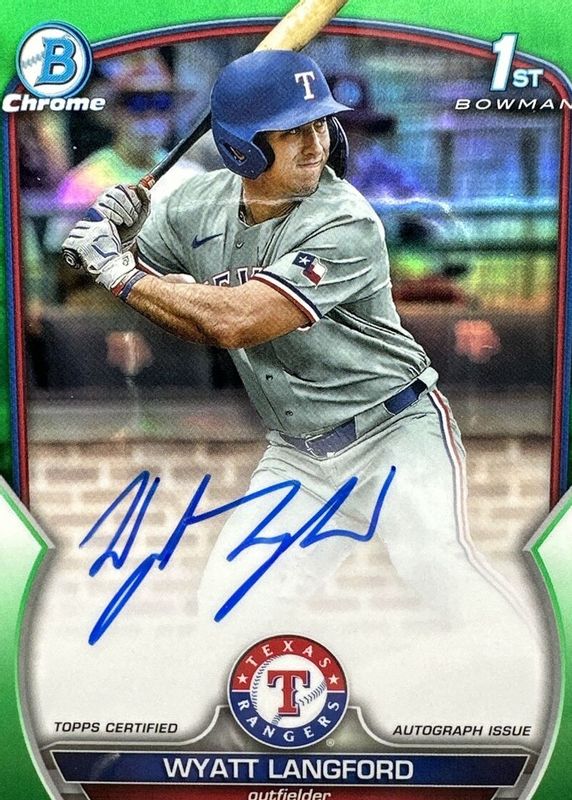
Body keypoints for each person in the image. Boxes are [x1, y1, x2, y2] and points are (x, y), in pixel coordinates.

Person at [62, 50, 530, 639]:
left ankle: (528, 668)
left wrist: (123, 272)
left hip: (393, 431)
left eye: (320, 125)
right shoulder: (194, 204)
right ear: (243, 148)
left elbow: (237, 321)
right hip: (299, 455)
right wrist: (121, 238)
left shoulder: (345, 220)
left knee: (438, 568)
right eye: (291, 132)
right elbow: (102, 277)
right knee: (227, 607)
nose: (315, 145)